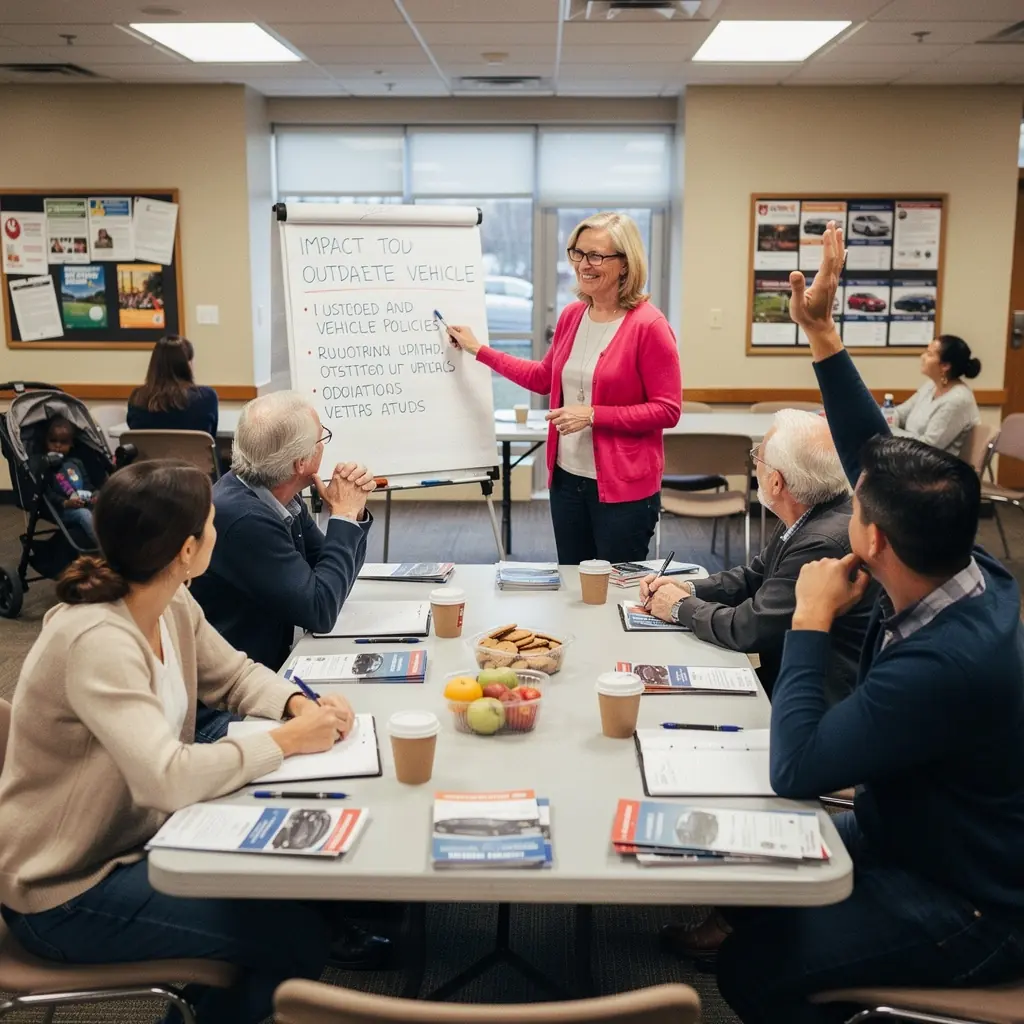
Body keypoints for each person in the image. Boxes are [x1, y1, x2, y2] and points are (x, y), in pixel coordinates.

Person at [673, 223, 1024, 1024]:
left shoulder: (943, 662)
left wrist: (807, 623)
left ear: (870, 539)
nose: (848, 501)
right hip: (918, 837)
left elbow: (796, 770)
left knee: (752, 968)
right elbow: (873, 445)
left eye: (855, 506)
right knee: (753, 888)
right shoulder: (969, 566)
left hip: (973, 906)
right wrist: (822, 330)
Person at [0, 460, 383, 1024]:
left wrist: (297, 704)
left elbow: (233, 676)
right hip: (65, 887)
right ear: (184, 550)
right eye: (210, 524)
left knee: (290, 907)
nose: (218, 532)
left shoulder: (168, 597)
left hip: (135, 842)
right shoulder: (96, 639)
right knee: (294, 942)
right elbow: (167, 778)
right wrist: (286, 740)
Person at [445, 211, 682, 564]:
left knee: (616, 589)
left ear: (625, 264)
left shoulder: (649, 325)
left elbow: (668, 409)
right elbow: (543, 377)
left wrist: (594, 415)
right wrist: (479, 350)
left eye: (596, 255)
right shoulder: (573, 315)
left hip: (624, 489)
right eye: (578, 252)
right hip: (568, 480)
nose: (584, 264)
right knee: (573, 583)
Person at [640, 408, 877, 704]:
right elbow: (756, 576)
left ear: (776, 482)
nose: (755, 462)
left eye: (758, 456)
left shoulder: (821, 543)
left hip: (817, 697)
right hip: (794, 671)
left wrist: (680, 608)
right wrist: (689, 588)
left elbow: (750, 628)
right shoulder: (813, 509)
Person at [190, 391, 375, 679]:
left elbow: (330, 580)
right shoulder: (245, 520)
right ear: (301, 463)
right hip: (232, 695)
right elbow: (320, 610)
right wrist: (344, 516)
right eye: (321, 438)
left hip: (266, 668)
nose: (323, 445)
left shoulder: (278, 492)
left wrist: (352, 514)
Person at [894, 334, 981, 457]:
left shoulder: (958, 400)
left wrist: (892, 433)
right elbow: (899, 413)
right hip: (910, 457)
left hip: (936, 469)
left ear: (945, 366)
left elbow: (928, 447)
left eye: (929, 354)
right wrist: (890, 426)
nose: (922, 357)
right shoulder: (930, 386)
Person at [127, 335, 219, 438]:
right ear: (187, 364)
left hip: (151, 454)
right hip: (193, 454)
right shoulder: (206, 397)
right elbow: (211, 439)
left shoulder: (137, 398)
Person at [42, 415, 99, 547]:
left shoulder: (76, 463)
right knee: (83, 514)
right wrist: (65, 502)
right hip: (64, 509)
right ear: (45, 442)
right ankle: (103, 547)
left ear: (71, 444)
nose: (57, 446)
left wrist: (94, 495)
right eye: (53, 441)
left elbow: (87, 485)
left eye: (63, 442)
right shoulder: (46, 466)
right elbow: (47, 493)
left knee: (105, 502)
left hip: (84, 501)